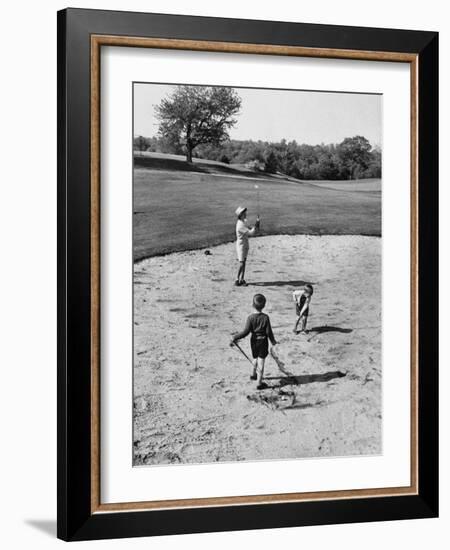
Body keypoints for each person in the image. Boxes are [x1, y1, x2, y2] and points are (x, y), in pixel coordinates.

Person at [231, 294, 277, 390]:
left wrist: (235, 337)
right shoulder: (265, 317)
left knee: (255, 358)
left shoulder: (250, 318)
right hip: (263, 341)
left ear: (252, 305)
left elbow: (245, 332)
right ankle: (259, 383)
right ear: (264, 306)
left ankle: (253, 374)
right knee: (261, 362)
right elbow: (269, 332)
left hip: (254, 341)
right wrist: (273, 342)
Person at [234, 206, 260, 286]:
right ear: (240, 215)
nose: (245, 214)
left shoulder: (244, 221)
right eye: (243, 213)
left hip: (245, 243)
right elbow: (251, 233)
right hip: (241, 245)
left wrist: (257, 224)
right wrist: (257, 224)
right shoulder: (240, 225)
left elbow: (251, 228)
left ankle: (242, 279)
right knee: (241, 263)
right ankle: (237, 279)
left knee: (244, 262)